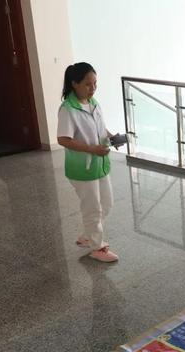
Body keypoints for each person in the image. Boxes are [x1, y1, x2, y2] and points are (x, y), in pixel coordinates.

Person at [57, 62, 118, 263]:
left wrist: (112, 137)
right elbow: (63, 139)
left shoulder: (94, 103)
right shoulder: (68, 109)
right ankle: (97, 247)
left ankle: (87, 236)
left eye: (95, 83)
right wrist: (92, 149)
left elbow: (100, 128)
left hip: (100, 163)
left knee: (107, 204)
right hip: (82, 168)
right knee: (92, 209)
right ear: (75, 84)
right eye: (88, 84)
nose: (93, 88)